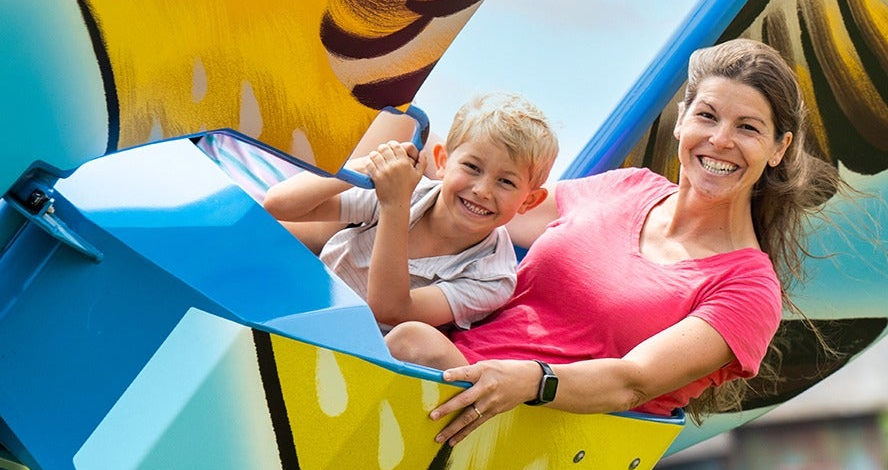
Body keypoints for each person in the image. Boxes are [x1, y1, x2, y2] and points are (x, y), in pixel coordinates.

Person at [385, 39, 841, 446]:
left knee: (409, 341)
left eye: (747, 128)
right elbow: (486, 208)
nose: (720, 140)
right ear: (681, 122)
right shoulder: (627, 187)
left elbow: (634, 382)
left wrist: (530, 381)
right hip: (452, 376)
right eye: (707, 116)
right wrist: (400, 164)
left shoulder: (748, 288)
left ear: (778, 149)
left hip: (535, 435)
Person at [263, 93, 558, 331]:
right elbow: (278, 204)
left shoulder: (492, 277)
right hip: (309, 298)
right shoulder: (413, 192)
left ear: (528, 202)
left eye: (505, 182)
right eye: (472, 167)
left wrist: (395, 205)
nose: (483, 190)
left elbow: (391, 309)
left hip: (355, 345)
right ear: (442, 161)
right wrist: (370, 165)